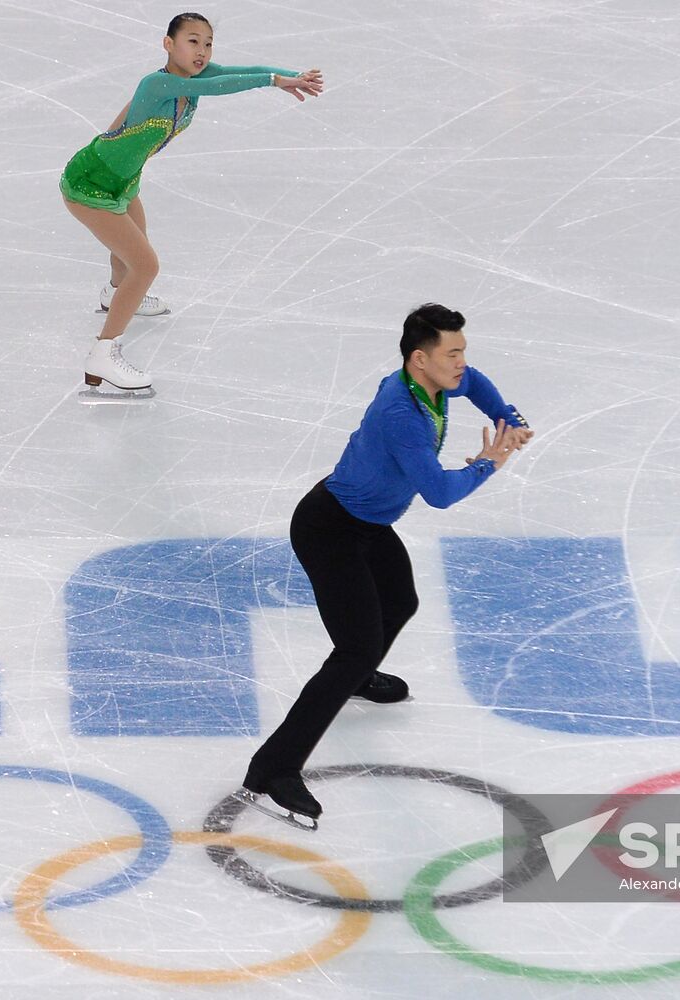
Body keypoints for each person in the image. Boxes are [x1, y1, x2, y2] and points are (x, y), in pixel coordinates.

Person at [241, 304, 533, 829]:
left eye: (463, 350)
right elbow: (441, 493)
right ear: (421, 359)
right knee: (354, 648)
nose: (462, 363)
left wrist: (505, 415)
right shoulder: (401, 413)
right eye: (453, 353)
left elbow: (477, 383)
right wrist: (491, 461)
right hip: (329, 529)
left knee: (401, 601)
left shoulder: (431, 381)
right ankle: (273, 769)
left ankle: (359, 677)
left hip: (368, 525)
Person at [60, 12, 322, 397]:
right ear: (169, 44)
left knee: (133, 250)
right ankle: (103, 352)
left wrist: (289, 76)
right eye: (193, 41)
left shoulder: (193, 79)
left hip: (122, 181)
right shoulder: (157, 83)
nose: (202, 51)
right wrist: (273, 81)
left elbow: (238, 71)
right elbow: (223, 86)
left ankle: (114, 294)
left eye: (208, 43)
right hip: (90, 182)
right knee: (146, 265)